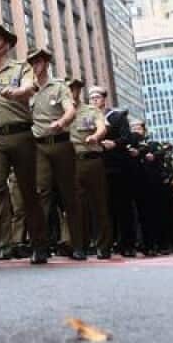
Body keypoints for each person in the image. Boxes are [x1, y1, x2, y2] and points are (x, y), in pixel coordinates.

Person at [0, 24, 44, 264]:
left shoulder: (21, 67)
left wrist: (17, 92)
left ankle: (38, 245)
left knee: (27, 192)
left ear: (6, 44)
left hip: (21, 134)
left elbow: (30, 88)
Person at [28, 47, 82, 259]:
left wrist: (62, 121)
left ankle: (78, 245)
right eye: (32, 63)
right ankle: (40, 247)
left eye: (39, 62)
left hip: (61, 144)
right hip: (39, 147)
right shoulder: (29, 90)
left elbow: (70, 109)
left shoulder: (58, 87)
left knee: (70, 194)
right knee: (41, 195)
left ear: (46, 64)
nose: (35, 66)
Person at [68, 79, 111, 258]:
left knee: (99, 204)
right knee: (76, 207)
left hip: (92, 160)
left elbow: (102, 128)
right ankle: (79, 247)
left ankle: (103, 246)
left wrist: (95, 136)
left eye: (76, 89)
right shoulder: (60, 113)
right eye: (69, 89)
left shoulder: (91, 110)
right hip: (70, 163)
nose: (73, 93)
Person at [93, 86, 137, 257]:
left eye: (97, 97)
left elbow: (127, 138)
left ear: (104, 98)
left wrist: (115, 144)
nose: (94, 100)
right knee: (105, 207)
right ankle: (108, 243)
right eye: (91, 98)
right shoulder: (89, 118)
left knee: (123, 206)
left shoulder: (117, 116)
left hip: (118, 166)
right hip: (99, 166)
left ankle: (128, 244)